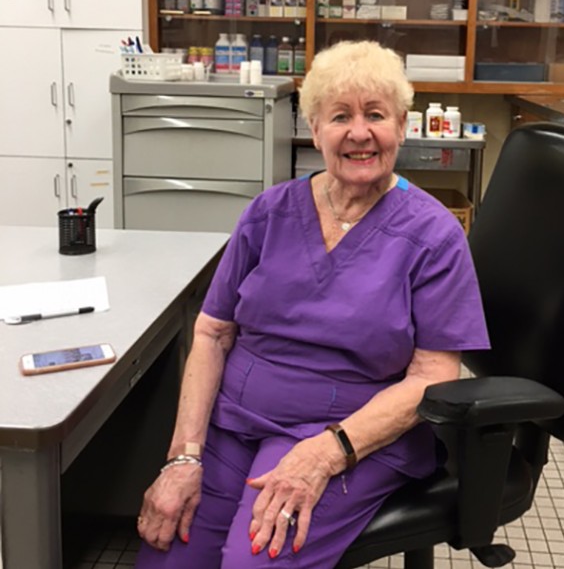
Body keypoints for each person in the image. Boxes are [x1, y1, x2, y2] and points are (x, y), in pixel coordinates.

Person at [134, 40, 489, 569]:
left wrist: (326, 452)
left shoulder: (433, 234)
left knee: (254, 560)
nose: (359, 133)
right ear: (314, 128)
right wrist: (183, 457)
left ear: (403, 125)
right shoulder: (269, 212)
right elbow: (212, 333)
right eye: (340, 116)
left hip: (351, 433)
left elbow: (433, 377)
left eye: (376, 115)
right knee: (171, 553)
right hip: (236, 421)